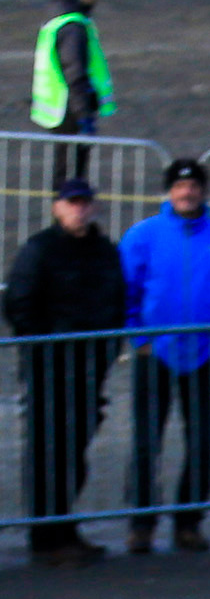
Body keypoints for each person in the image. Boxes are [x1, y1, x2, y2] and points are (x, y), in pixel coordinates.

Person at [120, 157, 210, 554]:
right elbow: (125, 293)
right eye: (180, 186)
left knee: (200, 441)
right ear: (169, 191)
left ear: (203, 191)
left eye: (194, 186)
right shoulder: (143, 235)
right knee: (146, 442)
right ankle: (142, 524)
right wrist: (138, 339)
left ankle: (189, 523)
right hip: (154, 354)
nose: (187, 193)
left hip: (203, 355)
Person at [4, 176, 123, 566]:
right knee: (47, 453)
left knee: (74, 453)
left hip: (89, 367)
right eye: (72, 203)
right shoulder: (39, 249)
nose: (79, 209)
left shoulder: (104, 251)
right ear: (58, 207)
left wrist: (107, 349)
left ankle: (65, 527)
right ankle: (46, 536)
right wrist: (43, 348)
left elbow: (117, 302)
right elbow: (19, 303)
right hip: (49, 369)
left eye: (84, 202)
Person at [30, 0, 112, 182]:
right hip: (70, 112)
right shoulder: (72, 25)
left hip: (63, 110)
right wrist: (84, 118)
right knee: (70, 180)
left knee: (64, 175)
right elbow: (75, 74)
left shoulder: (60, 17)